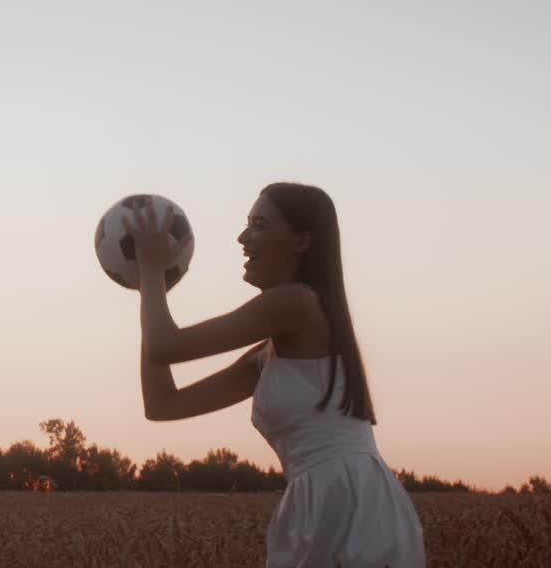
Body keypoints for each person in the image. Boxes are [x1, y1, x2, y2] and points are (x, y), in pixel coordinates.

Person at [123, 183, 424, 567]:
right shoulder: (271, 351)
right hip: (323, 499)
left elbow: (166, 347)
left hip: (347, 502)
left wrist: (151, 272)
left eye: (259, 225)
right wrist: (150, 287)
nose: (243, 238)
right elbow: (163, 404)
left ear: (300, 240)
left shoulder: (294, 302)